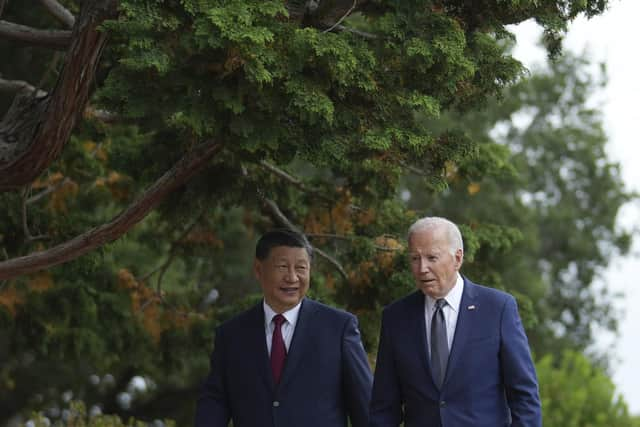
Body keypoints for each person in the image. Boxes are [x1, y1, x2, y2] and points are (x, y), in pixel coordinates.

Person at [369, 217, 542, 427]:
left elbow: (524, 396)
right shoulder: (396, 317)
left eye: (432, 258)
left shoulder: (497, 309)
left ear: (457, 258)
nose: (422, 268)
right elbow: (384, 407)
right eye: (415, 258)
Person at [195, 229, 373, 427]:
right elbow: (213, 407)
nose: (292, 277)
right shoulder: (231, 335)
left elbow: (366, 409)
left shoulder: (339, 328)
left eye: (301, 268)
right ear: (258, 269)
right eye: (282, 266)